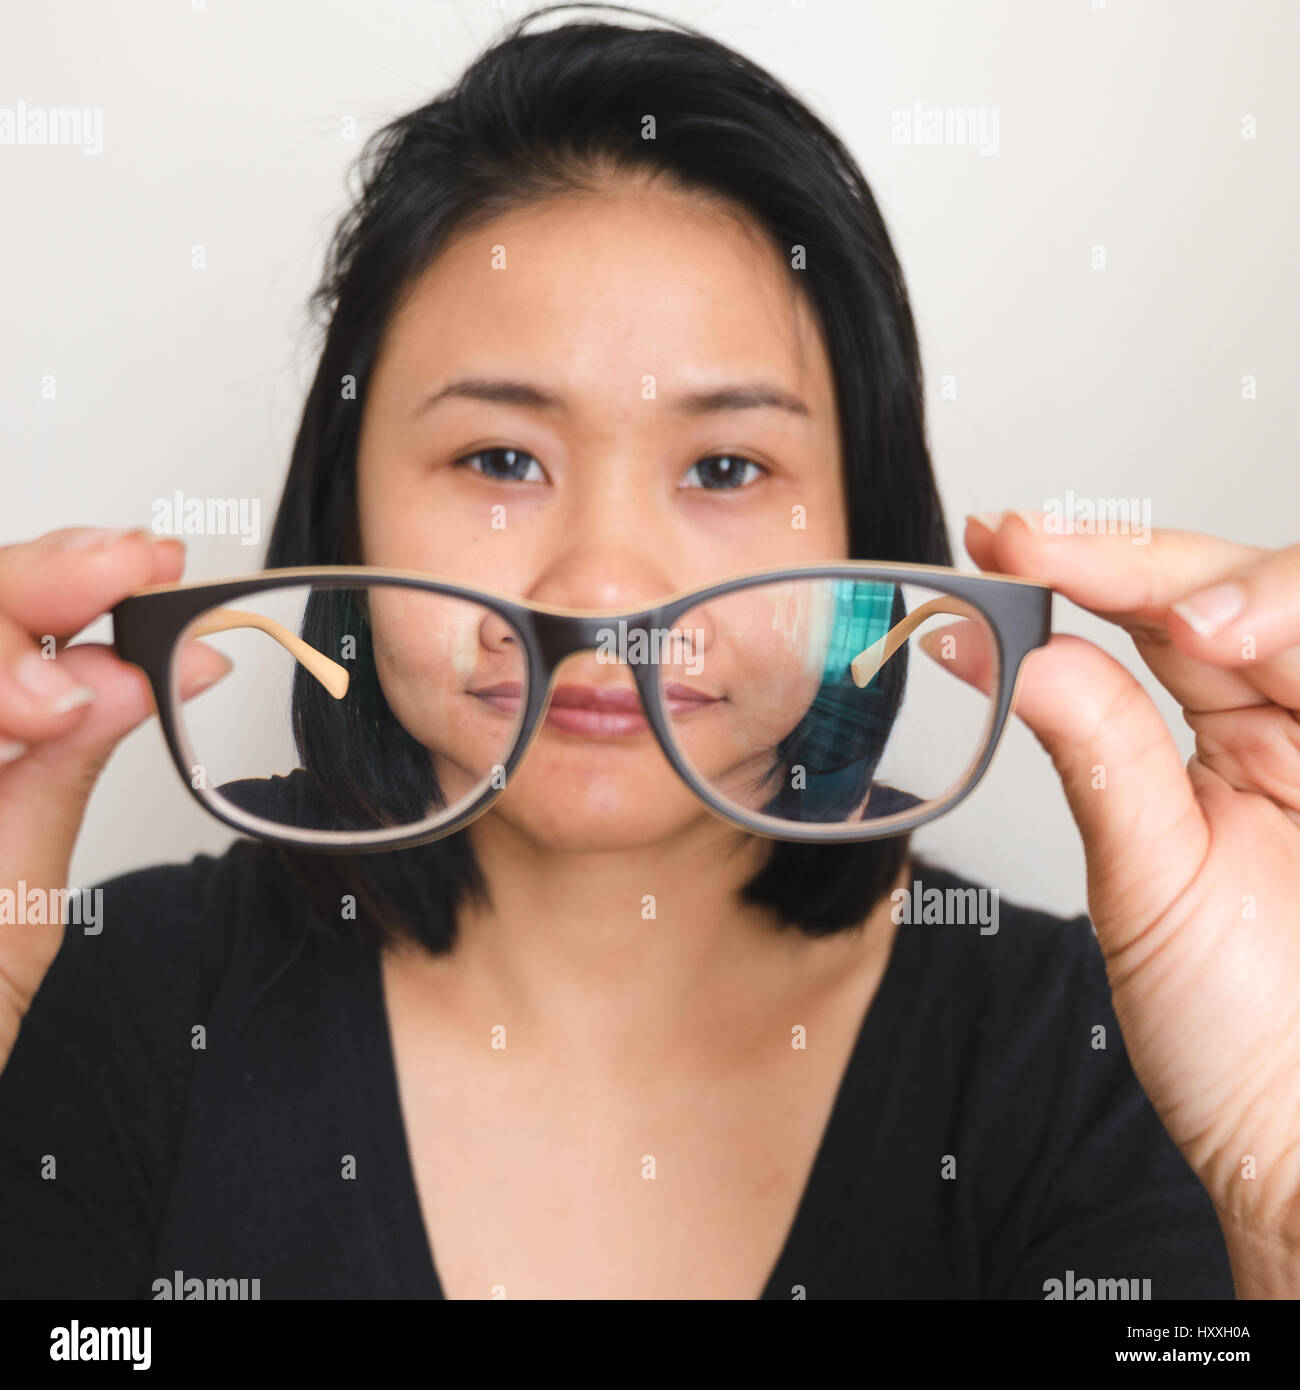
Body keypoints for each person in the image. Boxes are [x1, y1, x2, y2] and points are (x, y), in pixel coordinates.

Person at [0, 6, 1296, 1300]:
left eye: (727, 467)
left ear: (868, 541)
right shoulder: (124, 990)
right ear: (346, 510)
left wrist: (1275, 1175)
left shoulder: (1083, 1053)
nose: (606, 589)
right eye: (500, 459)